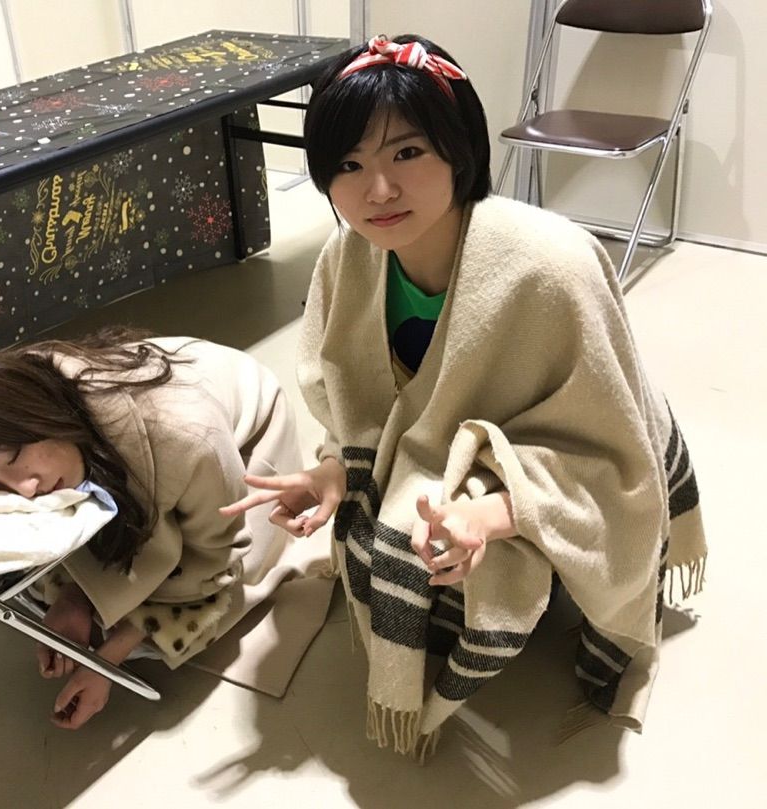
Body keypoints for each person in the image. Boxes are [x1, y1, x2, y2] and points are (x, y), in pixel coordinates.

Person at [222, 34, 706, 759]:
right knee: (387, 529)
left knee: (429, 536)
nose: (377, 190)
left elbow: (611, 449)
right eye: (348, 165)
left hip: (551, 462)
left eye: (407, 153)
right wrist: (330, 474)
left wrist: (495, 513)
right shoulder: (348, 260)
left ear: (459, 150)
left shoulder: (552, 265)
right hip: (445, 456)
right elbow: (357, 412)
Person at [0, 329, 321, 730]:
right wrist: (77, 600)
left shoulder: (187, 435)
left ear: (27, 407)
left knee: (217, 596)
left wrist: (109, 658)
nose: (25, 489)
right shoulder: (34, 422)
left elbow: (212, 566)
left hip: (243, 433)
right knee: (52, 584)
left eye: (12, 456)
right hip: (171, 407)